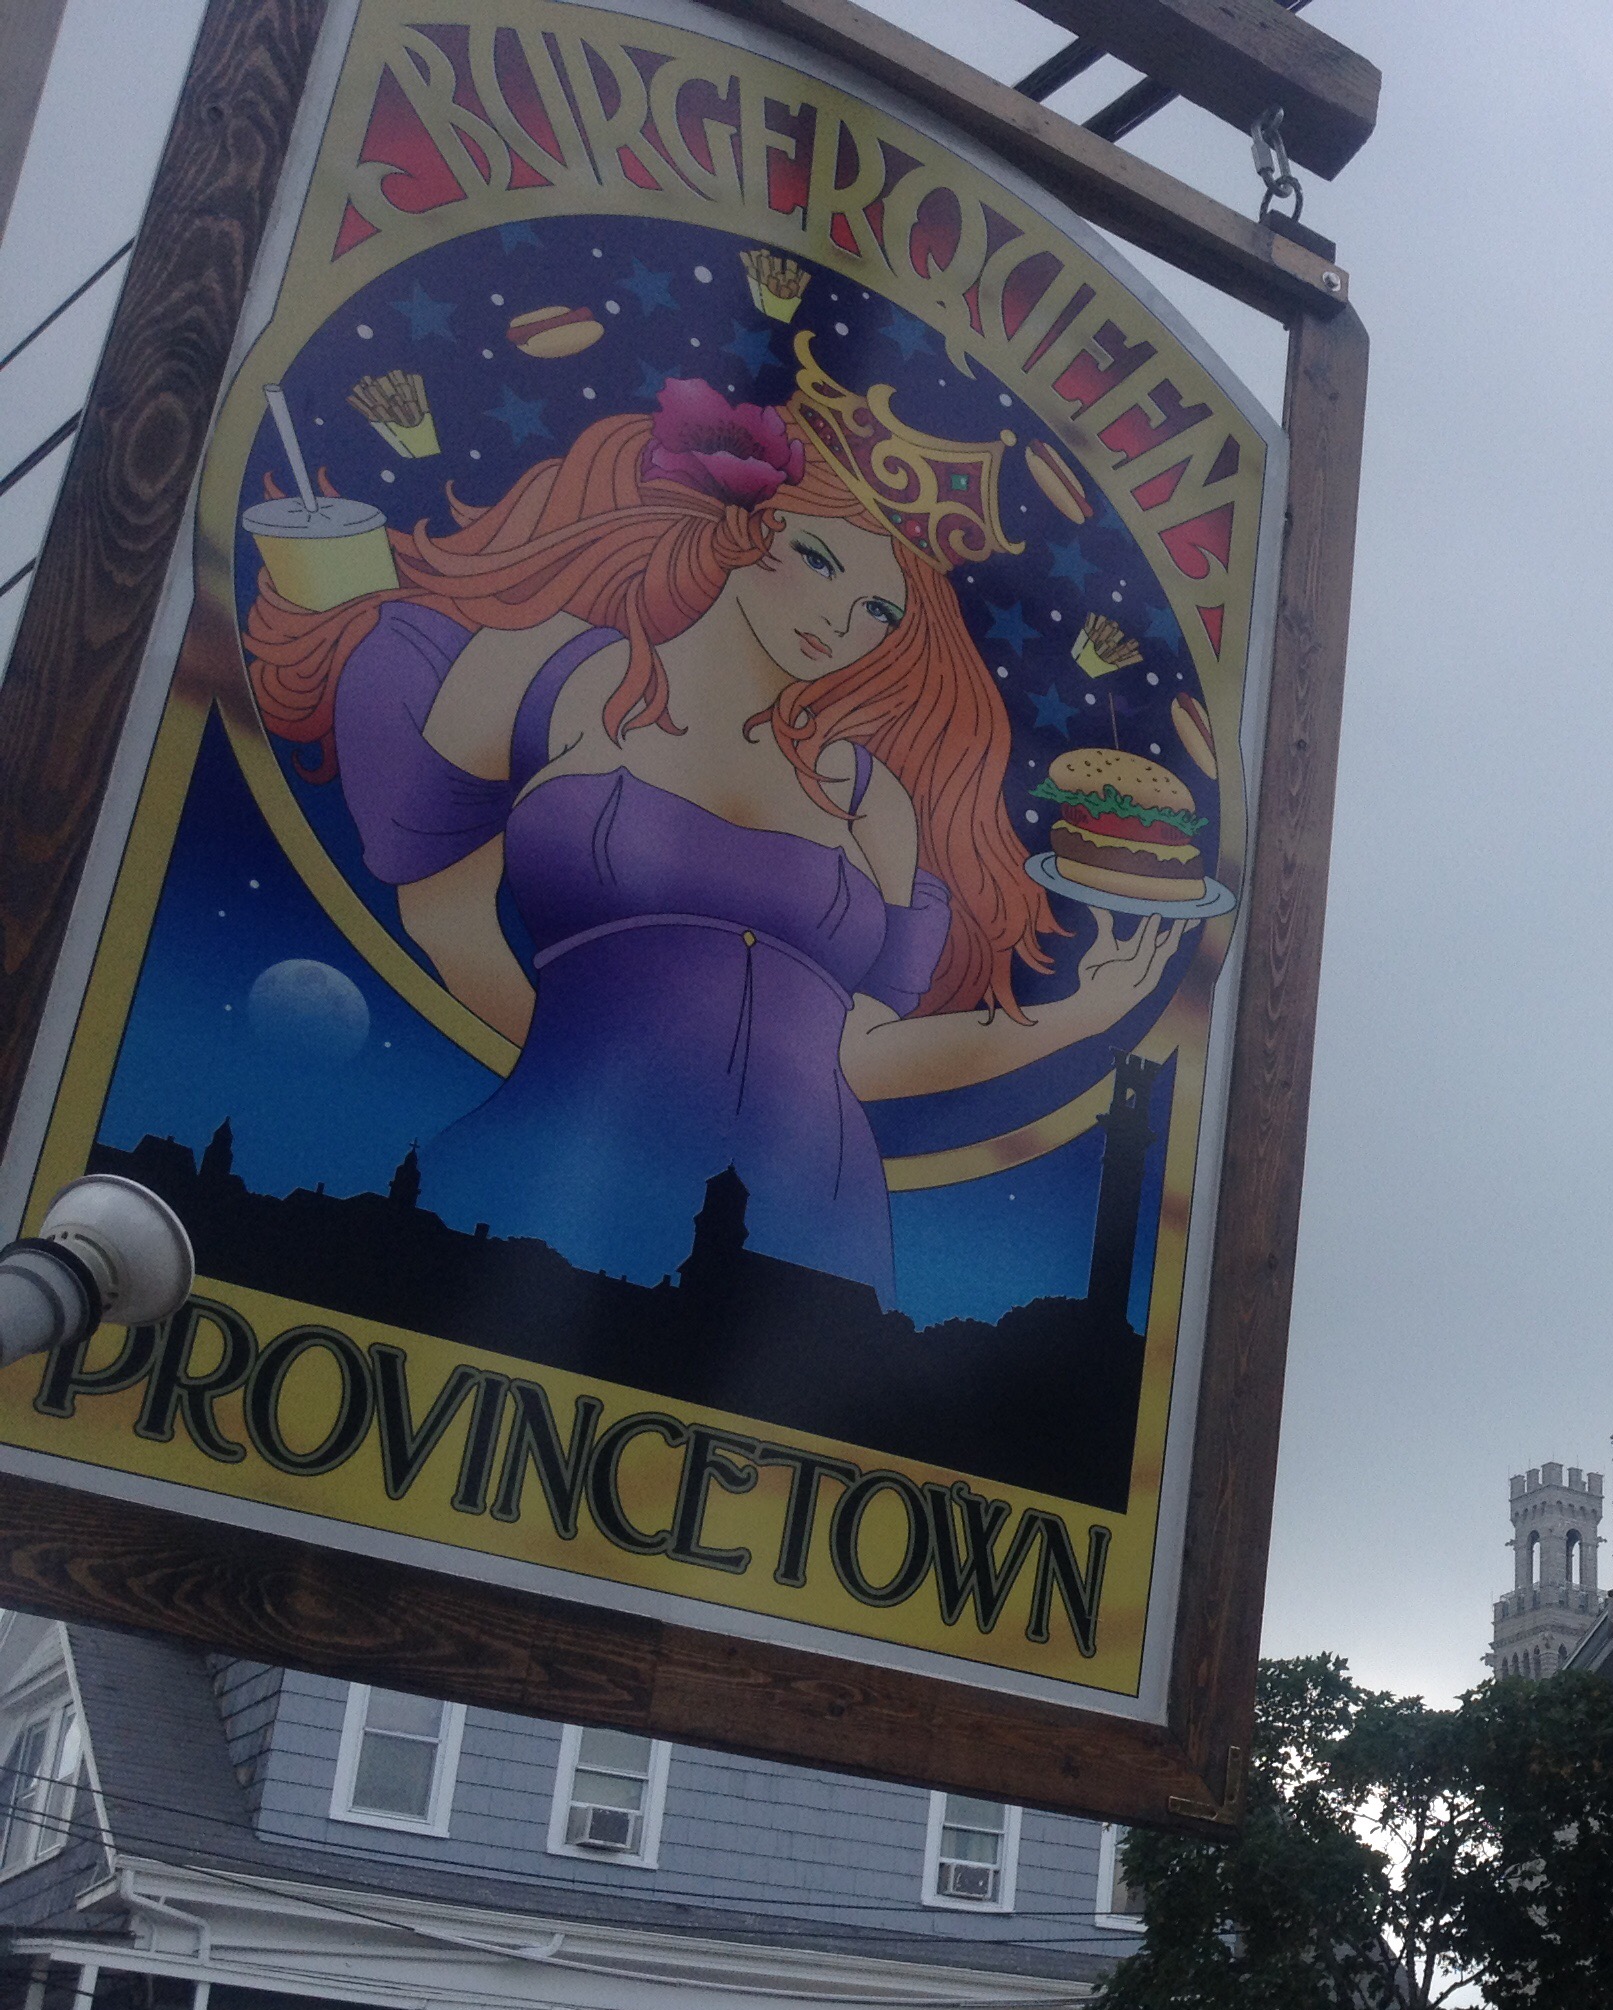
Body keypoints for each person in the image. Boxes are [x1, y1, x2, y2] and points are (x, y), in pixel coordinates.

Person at [243, 362, 1184, 1304]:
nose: (841, 622)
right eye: (820, 561)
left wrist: (1081, 1017)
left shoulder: (875, 801)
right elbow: (446, 919)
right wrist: (601, 1085)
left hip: (812, 1233)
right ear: (746, 528)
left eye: (879, 611)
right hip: (556, 1166)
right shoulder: (544, 674)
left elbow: (854, 1057)